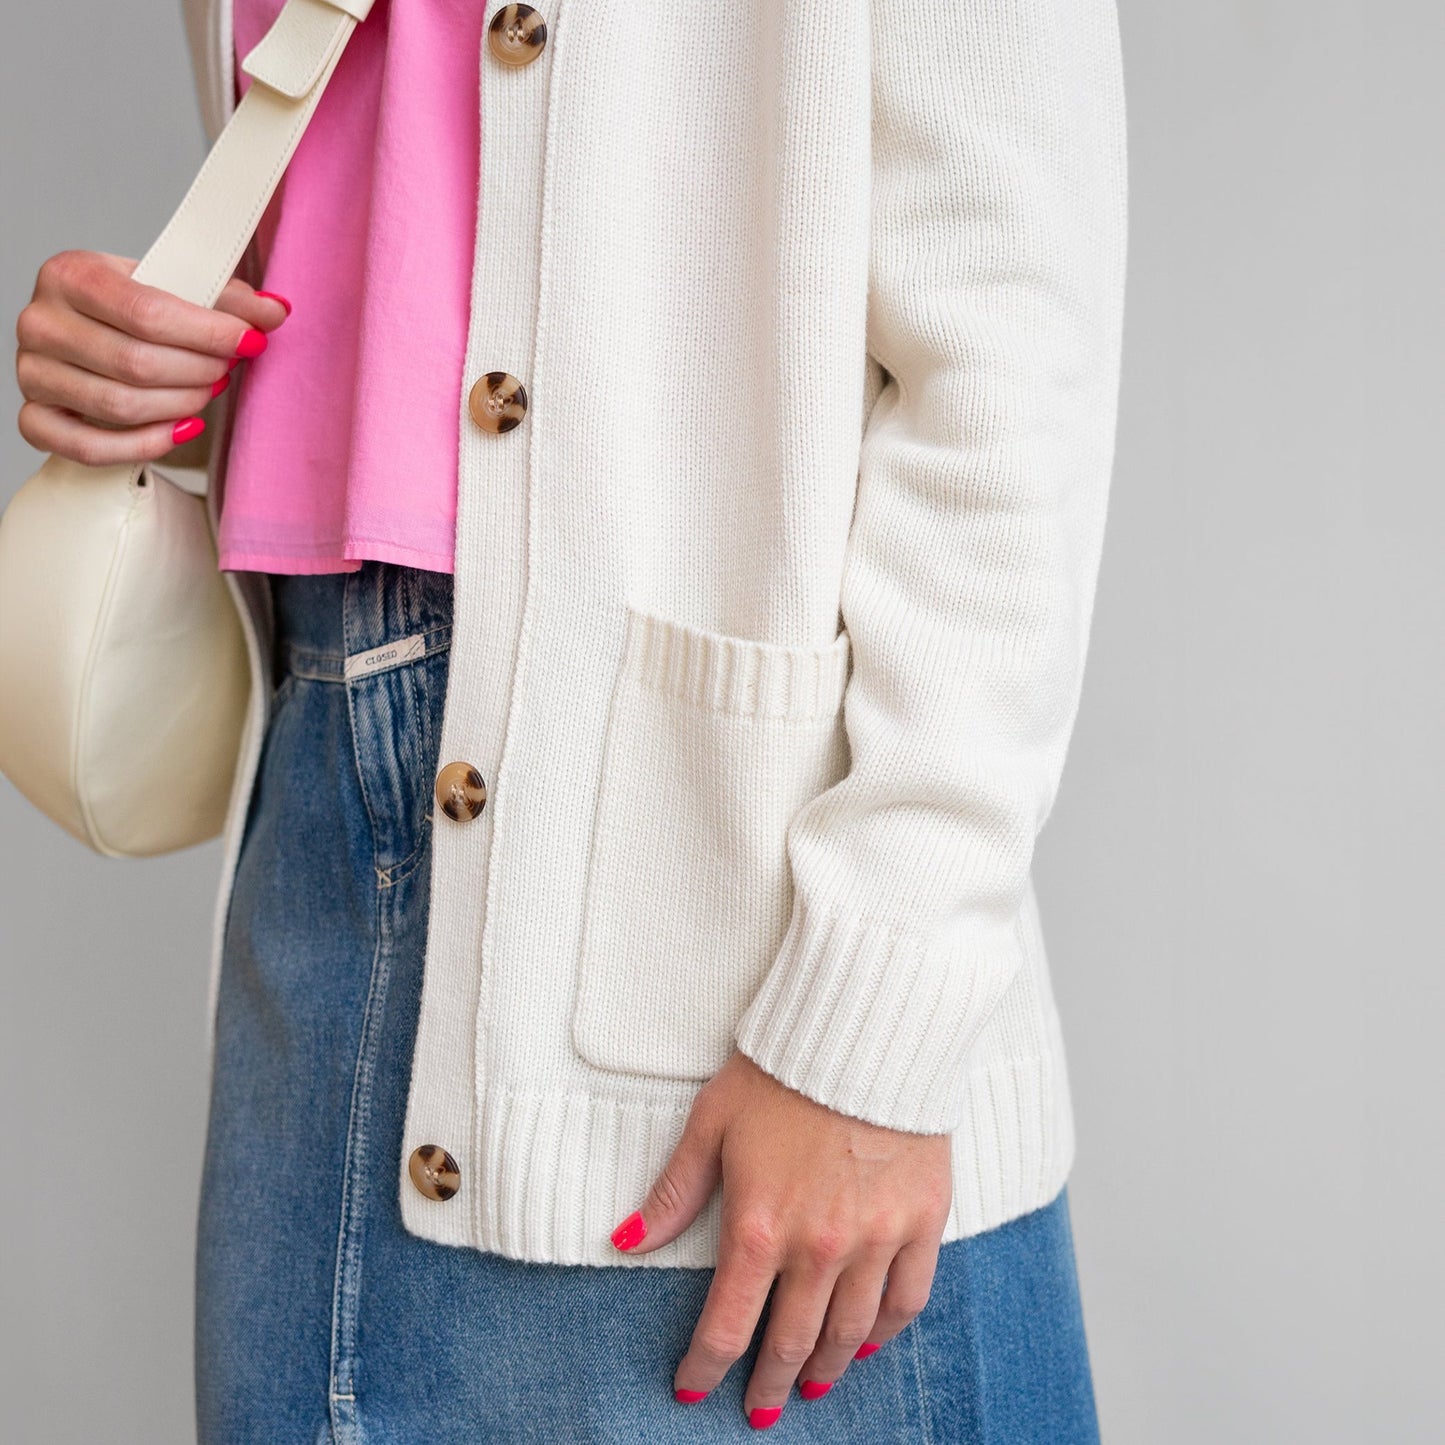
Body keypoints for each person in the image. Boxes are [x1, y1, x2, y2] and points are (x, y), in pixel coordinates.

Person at [13, 0, 1127, 1438]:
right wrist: (149, 358)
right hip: (314, 845)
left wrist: (876, 1001)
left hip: (733, 936)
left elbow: (1007, 348)